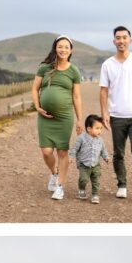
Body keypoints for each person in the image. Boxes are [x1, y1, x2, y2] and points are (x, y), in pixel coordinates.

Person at [99, 26, 132, 202]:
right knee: (118, 153)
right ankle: (121, 185)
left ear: (130, 40)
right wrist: (104, 112)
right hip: (116, 116)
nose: (121, 41)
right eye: (118, 38)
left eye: (124, 37)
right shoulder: (107, 64)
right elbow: (103, 90)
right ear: (114, 41)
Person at [32, 35, 83, 201]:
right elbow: (35, 89)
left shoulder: (73, 71)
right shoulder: (44, 68)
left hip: (64, 118)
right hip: (45, 117)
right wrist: (37, 107)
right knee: (46, 152)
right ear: (55, 48)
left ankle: (60, 186)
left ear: (71, 50)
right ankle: (54, 173)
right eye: (60, 46)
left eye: (66, 47)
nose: (63, 50)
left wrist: (79, 119)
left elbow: (76, 97)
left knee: (62, 151)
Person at [68, 115, 110, 203]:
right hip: (84, 164)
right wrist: (71, 156)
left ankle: (95, 195)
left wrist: (106, 157)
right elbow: (75, 148)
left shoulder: (100, 140)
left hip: (95, 164)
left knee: (96, 180)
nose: (99, 131)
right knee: (83, 179)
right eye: (97, 128)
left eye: (101, 128)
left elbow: (103, 150)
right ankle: (81, 189)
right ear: (89, 129)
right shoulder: (81, 138)